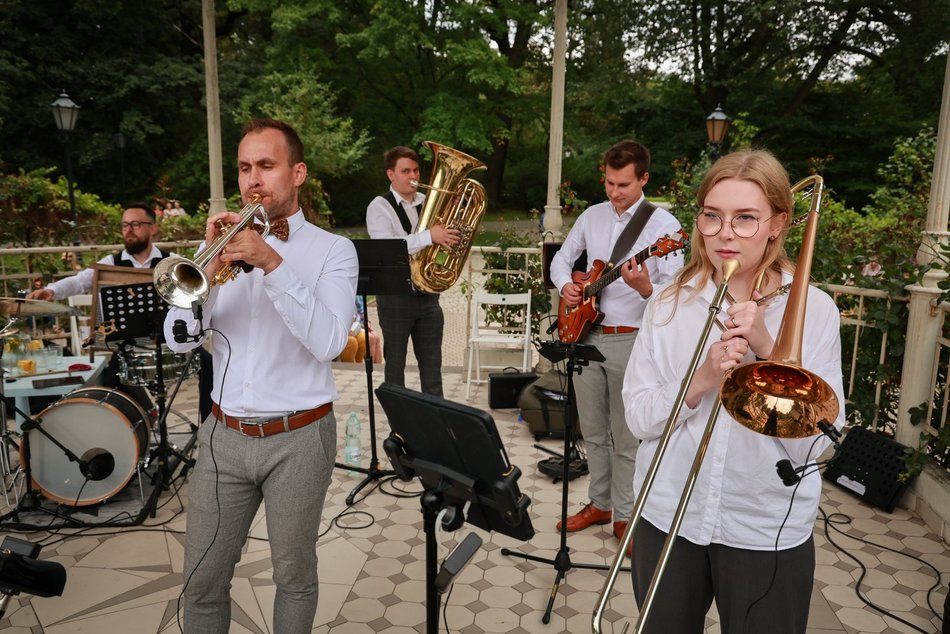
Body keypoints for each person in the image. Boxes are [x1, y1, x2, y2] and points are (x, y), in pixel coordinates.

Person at [622, 150, 846, 633]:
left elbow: (822, 442)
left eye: (746, 219)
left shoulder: (816, 310)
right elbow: (639, 419)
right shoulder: (668, 301)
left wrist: (771, 354)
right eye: (712, 216)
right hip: (667, 513)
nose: (725, 232)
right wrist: (700, 380)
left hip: (764, 524)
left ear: (778, 224)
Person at [164, 118, 358, 632]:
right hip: (222, 435)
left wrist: (273, 264)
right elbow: (179, 339)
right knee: (202, 579)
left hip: (299, 437)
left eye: (267, 166)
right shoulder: (222, 251)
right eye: (246, 168)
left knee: (293, 576)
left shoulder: (334, 251)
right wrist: (203, 271)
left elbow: (331, 342)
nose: (254, 179)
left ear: (297, 173)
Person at [549, 139, 684, 551]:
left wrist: (647, 288)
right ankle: (599, 503)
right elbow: (560, 259)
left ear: (644, 178)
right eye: (609, 182)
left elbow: (677, 290)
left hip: (632, 341)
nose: (614, 192)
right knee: (592, 430)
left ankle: (625, 514)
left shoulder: (664, 228)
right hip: (586, 334)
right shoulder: (592, 216)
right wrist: (567, 287)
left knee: (627, 437)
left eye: (623, 184)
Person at [27, 204, 213, 422]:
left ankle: (208, 427)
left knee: (209, 364)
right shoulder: (111, 263)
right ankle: (130, 438)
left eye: (135, 224)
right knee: (109, 381)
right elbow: (80, 282)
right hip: (128, 347)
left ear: (152, 228)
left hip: (168, 343)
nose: (129, 230)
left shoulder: (170, 261)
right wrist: (52, 290)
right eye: (125, 225)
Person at [365, 145, 459, 396]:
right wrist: (430, 236)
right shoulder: (379, 206)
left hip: (428, 297)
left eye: (416, 170)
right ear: (391, 175)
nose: (413, 176)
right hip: (395, 297)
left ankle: (435, 428)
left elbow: (438, 245)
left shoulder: (429, 202)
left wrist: (448, 241)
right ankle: (399, 431)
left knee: (432, 371)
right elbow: (388, 248)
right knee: (394, 370)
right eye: (405, 171)